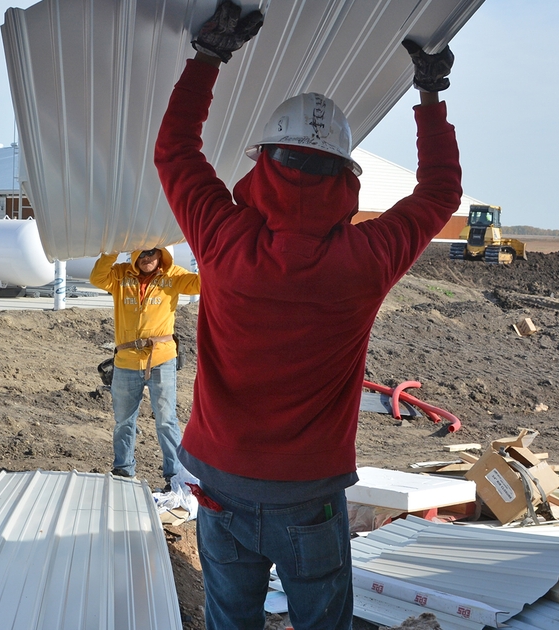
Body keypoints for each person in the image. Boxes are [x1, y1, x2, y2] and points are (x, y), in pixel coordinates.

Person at [152, 3, 462, 628]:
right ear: (347, 176)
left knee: (230, 618)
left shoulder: (223, 237)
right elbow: (440, 192)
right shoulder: (365, 258)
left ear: (264, 161)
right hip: (309, 494)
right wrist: (429, 95)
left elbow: (174, 152)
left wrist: (210, 55)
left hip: (219, 479)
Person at [90, 247, 200, 489]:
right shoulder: (119, 275)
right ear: (134, 254)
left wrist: (209, 252)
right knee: (124, 420)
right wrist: (112, 251)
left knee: (166, 420)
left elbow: (202, 284)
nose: (146, 258)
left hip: (161, 359)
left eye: (151, 253)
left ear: (160, 253)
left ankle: (175, 476)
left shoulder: (172, 276)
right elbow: (96, 278)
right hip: (127, 361)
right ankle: (123, 470)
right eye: (141, 254)